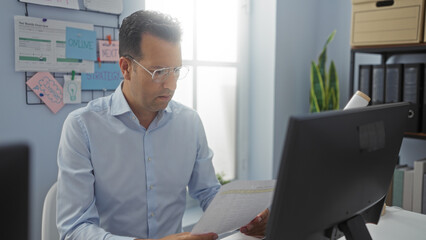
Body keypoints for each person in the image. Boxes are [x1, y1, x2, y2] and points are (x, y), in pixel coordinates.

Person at [56, 10, 268, 240]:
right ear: (126, 67)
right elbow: (74, 229)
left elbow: (208, 192)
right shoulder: (82, 126)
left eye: (176, 70)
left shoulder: (189, 122)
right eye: (158, 72)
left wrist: (247, 220)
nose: (171, 84)